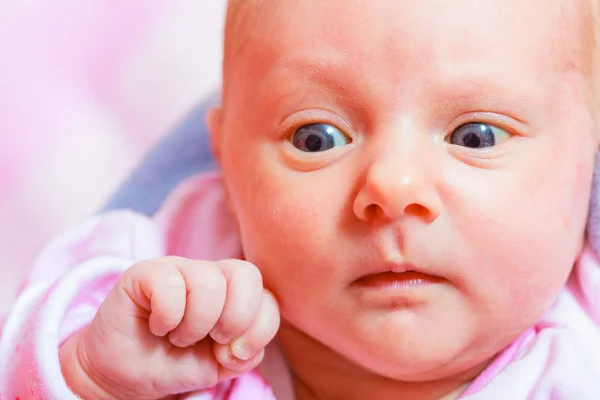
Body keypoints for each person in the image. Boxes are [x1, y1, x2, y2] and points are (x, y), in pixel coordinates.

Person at [3, 0, 600, 398]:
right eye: (316, 138)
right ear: (227, 164)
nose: (392, 188)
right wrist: (87, 374)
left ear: (585, 157)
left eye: (476, 136)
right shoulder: (160, 284)